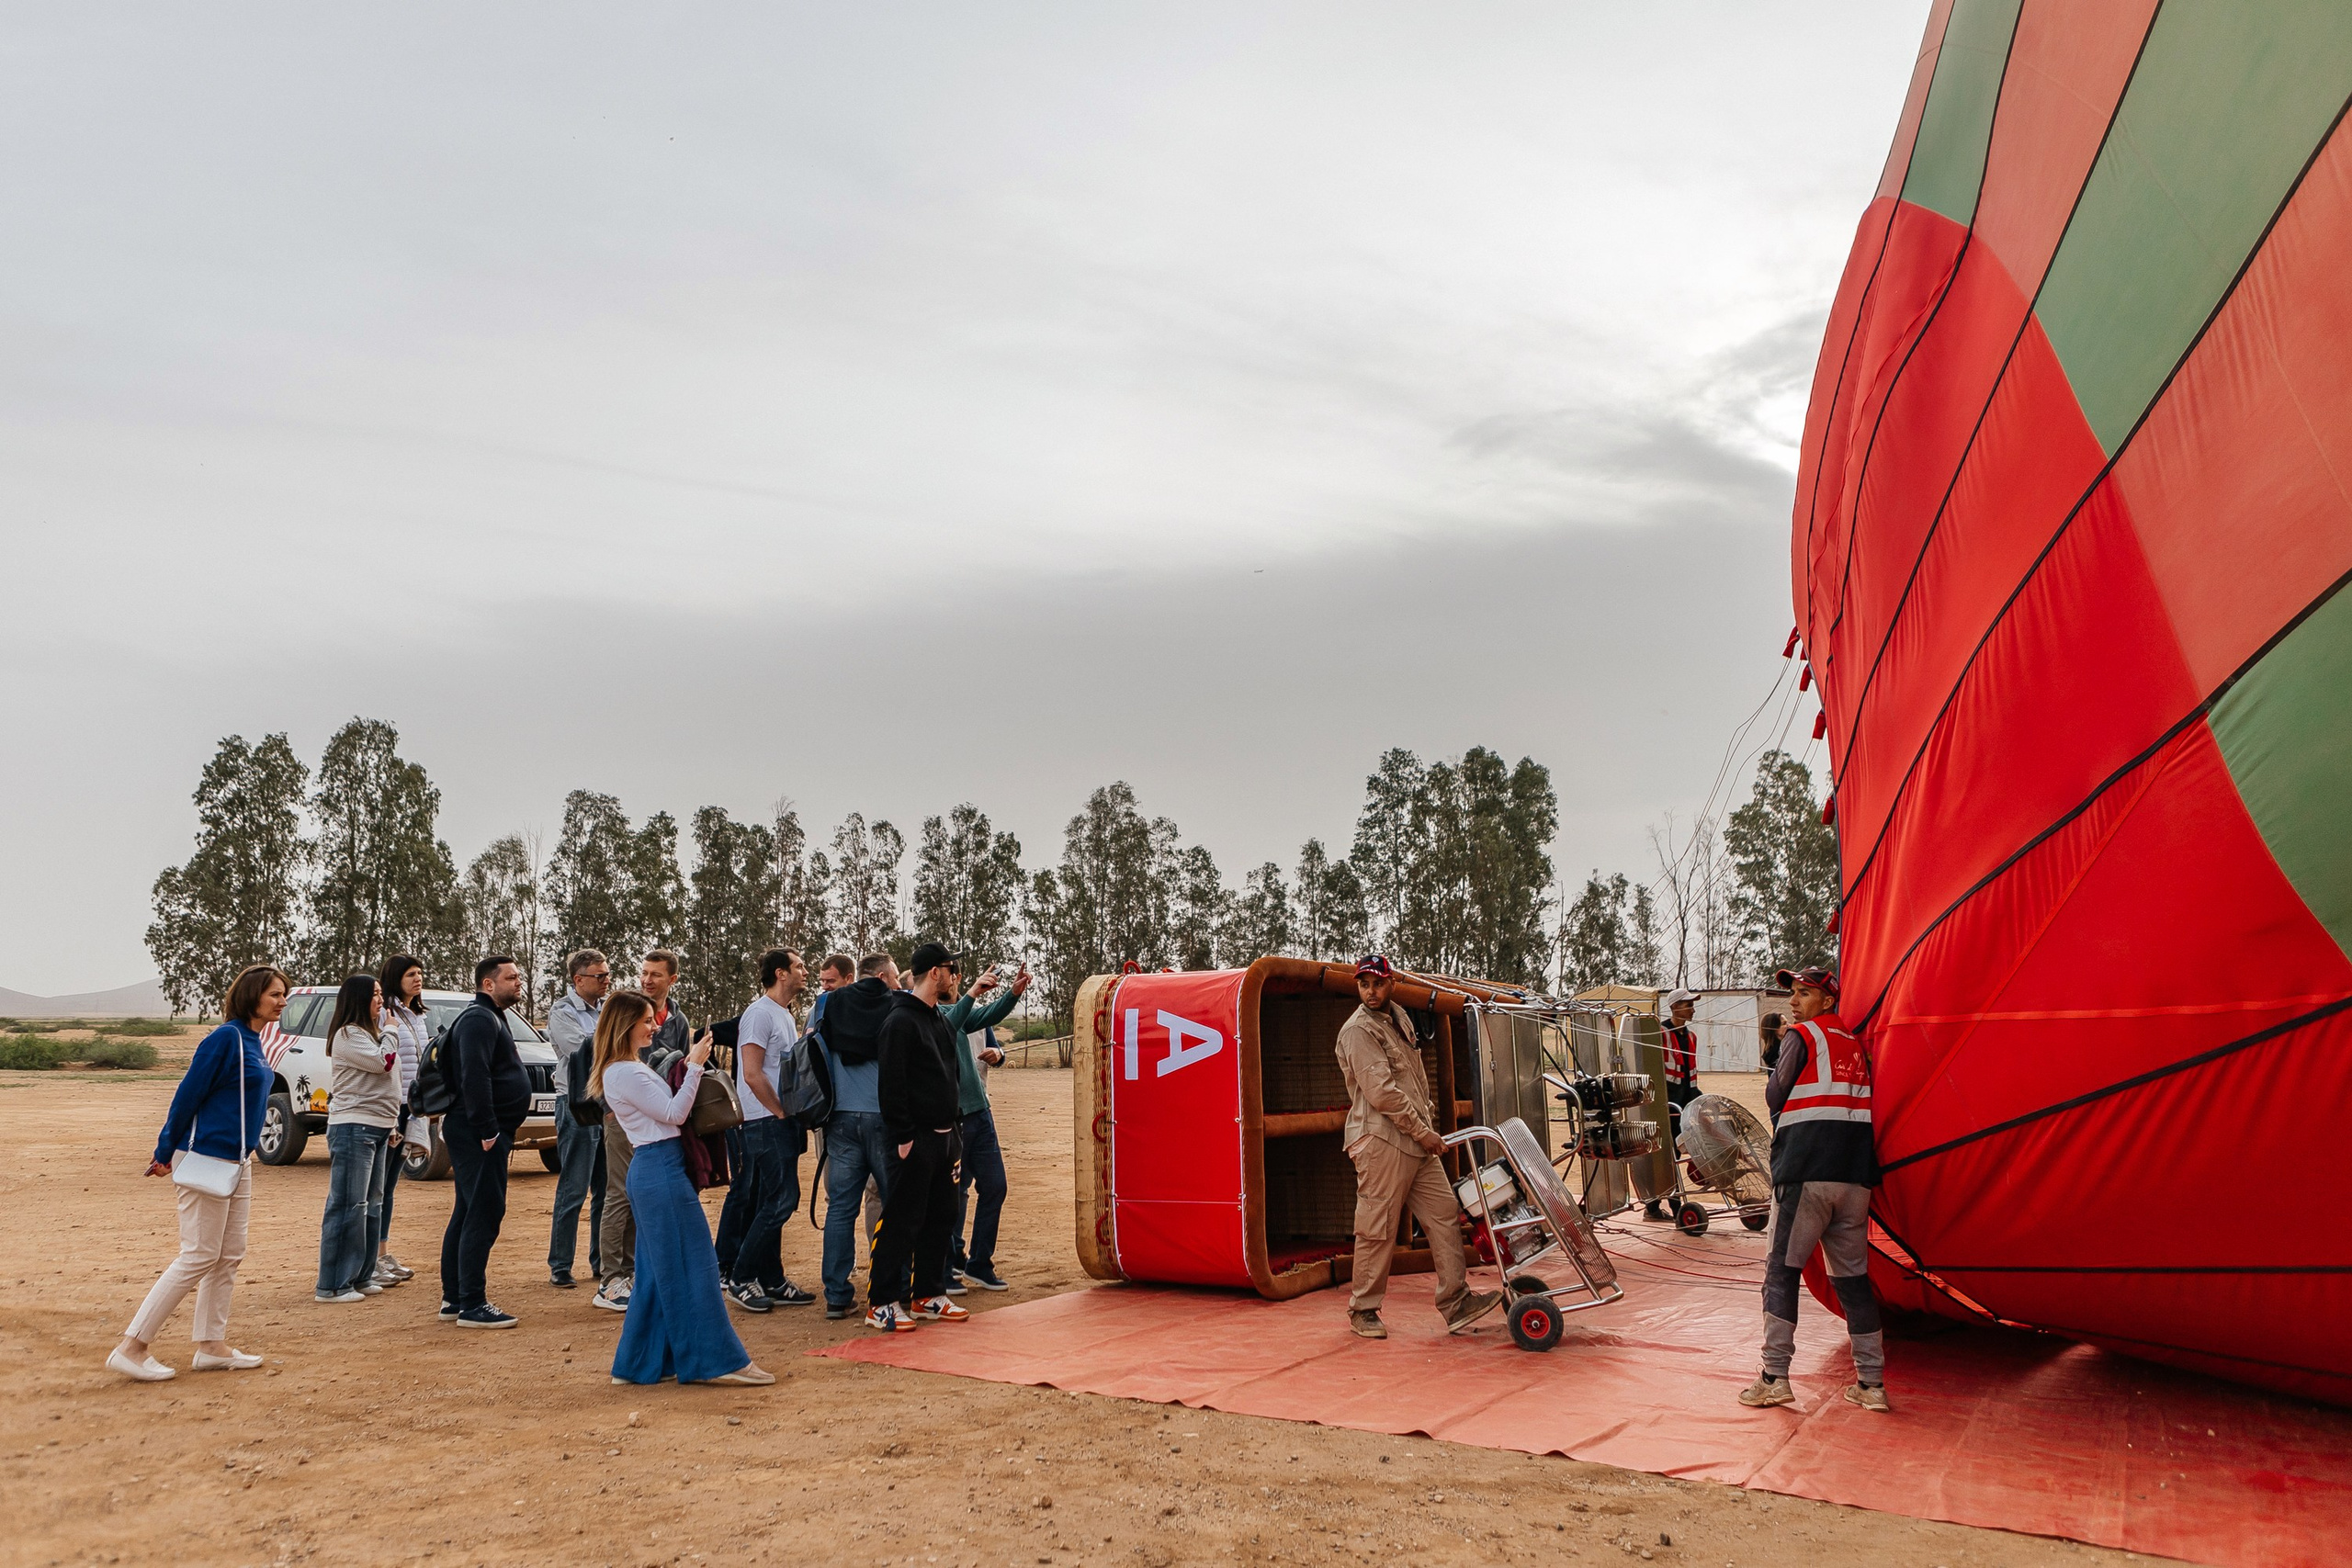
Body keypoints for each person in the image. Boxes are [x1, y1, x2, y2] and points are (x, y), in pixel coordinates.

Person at [591, 988, 775, 1387]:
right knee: (697, 1267)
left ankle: (638, 1363)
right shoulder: (624, 1071)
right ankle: (715, 1361)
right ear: (625, 1026)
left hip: (658, 1169)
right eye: (646, 1020)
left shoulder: (623, 1069)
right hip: (660, 1171)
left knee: (658, 1273)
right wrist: (694, 1066)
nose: (654, 1026)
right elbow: (675, 1115)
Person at [110, 964, 284, 1382]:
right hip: (206, 1157)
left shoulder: (254, 1041)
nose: (282, 1001)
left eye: (283, 994)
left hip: (238, 1162)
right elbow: (186, 1095)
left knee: (227, 1255)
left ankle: (211, 1346)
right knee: (199, 1255)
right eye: (275, 994)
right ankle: (131, 1347)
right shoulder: (225, 1039)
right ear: (252, 995)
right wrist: (164, 1150)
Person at [1739, 965, 1889, 1414]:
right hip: (1855, 1177)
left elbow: (1775, 1094)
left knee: (1781, 1272)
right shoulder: (1855, 1045)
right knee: (1853, 1282)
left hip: (1806, 1172)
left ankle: (1774, 1377)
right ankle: (1872, 1384)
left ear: (1826, 1002)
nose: (1794, 1001)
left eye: (1804, 993)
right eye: (1794, 993)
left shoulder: (1802, 1036)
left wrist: (1783, 1047)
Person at [1336, 954, 1502, 1341]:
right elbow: (1383, 1093)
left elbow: (1415, 1081)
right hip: (1381, 1139)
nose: (1371, 991)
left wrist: (1424, 1130)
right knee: (1378, 1227)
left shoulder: (1400, 1019)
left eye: (1377, 983)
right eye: (1364, 984)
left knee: (1445, 1214)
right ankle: (1363, 1309)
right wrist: (1423, 1131)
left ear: (1390, 983)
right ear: (1358, 987)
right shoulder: (1358, 1031)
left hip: (1414, 1139)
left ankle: (1456, 1301)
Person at [865, 942, 971, 1333]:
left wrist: (954, 1128)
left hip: (947, 1137)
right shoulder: (900, 1022)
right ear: (933, 973)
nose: (954, 975)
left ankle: (927, 1292)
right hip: (914, 1139)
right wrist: (904, 1135)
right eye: (950, 968)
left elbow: (950, 1077)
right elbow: (891, 1085)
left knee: (942, 1215)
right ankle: (881, 1303)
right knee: (901, 1220)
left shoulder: (939, 1019)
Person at [713, 948, 817, 1311]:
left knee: (772, 1199)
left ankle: (771, 1278)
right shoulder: (758, 1015)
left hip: (777, 1120)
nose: (805, 970)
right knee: (780, 1200)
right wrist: (780, 1113)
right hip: (763, 1121)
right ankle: (741, 1278)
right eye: (799, 965)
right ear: (781, 973)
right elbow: (752, 1072)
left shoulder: (783, 1015)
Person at [595, 950, 691, 1314]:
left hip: (657, 1116)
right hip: (626, 1118)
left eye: (656, 974)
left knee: (638, 1200)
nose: (647, 980)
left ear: (672, 980)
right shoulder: (625, 1011)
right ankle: (610, 1278)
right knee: (619, 1194)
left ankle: (631, 1270)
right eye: (644, 973)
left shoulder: (677, 1019)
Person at [439, 955, 530, 1329]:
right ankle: (472, 1303)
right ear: (488, 984)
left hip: (478, 1130)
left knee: (468, 1209)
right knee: (484, 1212)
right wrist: (488, 1129)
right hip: (478, 1132)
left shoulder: (490, 1016)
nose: (518, 982)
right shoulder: (479, 1018)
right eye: (511, 978)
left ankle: (454, 1297)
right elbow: (473, 1076)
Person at [814, 953, 899, 1319]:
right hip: (883, 1116)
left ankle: (836, 1294)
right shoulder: (896, 1005)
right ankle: (893, 1285)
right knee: (895, 1205)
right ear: (881, 977)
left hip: (841, 1118)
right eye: (895, 977)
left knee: (841, 1207)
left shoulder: (827, 1003)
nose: (898, 982)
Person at [941, 961, 1028, 1292]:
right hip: (951, 1118)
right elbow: (952, 1023)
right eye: (945, 972)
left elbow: (986, 1018)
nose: (951, 978)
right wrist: (974, 992)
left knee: (995, 1187)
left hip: (980, 1112)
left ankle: (978, 1263)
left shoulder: (967, 1012)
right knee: (953, 1194)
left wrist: (1013, 993)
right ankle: (947, 1264)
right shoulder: (929, 1014)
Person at [316, 974, 401, 1303]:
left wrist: (391, 1123)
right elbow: (384, 1063)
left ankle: (361, 1275)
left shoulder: (372, 1034)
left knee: (372, 1205)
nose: (381, 1000)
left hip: (377, 1127)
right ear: (358, 999)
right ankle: (333, 1284)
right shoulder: (348, 1034)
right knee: (348, 1206)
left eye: (382, 993)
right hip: (354, 1127)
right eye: (375, 994)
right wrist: (392, 1031)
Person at [546, 949, 610, 1290]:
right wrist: (615, 1040)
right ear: (578, 979)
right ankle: (560, 1265)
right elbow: (584, 1049)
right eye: (599, 976)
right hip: (575, 1105)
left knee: (606, 1188)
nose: (605, 981)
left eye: (606, 975)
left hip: (606, 1105)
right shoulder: (562, 1011)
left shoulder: (605, 1009)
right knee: (574, 1188)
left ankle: (601, 1262)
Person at [374, 955, 429, 1285]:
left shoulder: (418, 1016)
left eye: (420, 973)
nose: (418, 978)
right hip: (392, 1105)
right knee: (378, 1184)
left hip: (413, 1105)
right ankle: (372, 1258)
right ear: (396, 978)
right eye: (411, 974)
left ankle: (382, 1252)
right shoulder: (385, 1014)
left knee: (391, 1184)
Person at [1645, 988, 1703, 1222]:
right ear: (1675, 1007)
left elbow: (1690, 1075)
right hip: (1666, 1104)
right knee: (1666, 1155)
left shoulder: (1692, 1037)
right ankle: (1668, 1206)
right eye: (1688, 1004)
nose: (1692, 1008)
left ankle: (1657, 1206)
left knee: (1683, 1151)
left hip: (1686, 1102)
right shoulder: (1660, 1033)